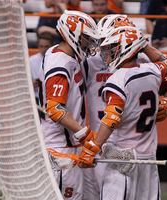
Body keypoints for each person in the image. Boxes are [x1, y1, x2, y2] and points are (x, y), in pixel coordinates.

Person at [78, 26, 167, 200]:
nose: (108, 52)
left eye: (114, 47)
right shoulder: (152, 70)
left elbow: (112, 118)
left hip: (122, 158)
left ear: (127, 48)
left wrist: (94, 147)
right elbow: (166, 64)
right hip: (148, 158)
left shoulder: (118, 78)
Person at [38, 10, 100, 199]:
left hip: (70, 144)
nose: (89, 43)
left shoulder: (61, 54)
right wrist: (82, 133)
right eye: (85, 38)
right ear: (72, 35)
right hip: (61, 148)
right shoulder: (60, 64)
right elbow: (54, 108)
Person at [29, 31, 54, 106]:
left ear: (52, 45)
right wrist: (32, 84)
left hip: (54, 98)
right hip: (37, 99)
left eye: (46, 46)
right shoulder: (31, 61)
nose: (43, 49)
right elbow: (26, 85)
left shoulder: (58, 59)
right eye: (41, 46)